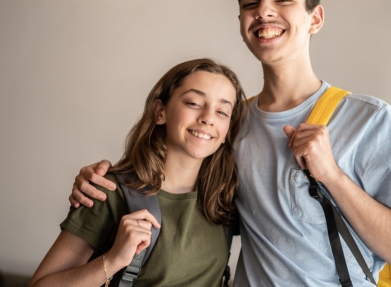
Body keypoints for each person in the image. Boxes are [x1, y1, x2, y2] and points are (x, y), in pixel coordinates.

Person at [68, 0, 391, 287]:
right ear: (243, 23)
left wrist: (332, 176)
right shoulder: (227, 125)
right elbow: (177, 189)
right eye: (251, 2)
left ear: (315, 18)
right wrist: (102, 183)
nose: (264, 10)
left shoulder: (369, 119)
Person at [29, 59, 247, 287]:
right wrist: (113, 260)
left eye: (222, 111)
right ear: (160, 111)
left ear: (227, 131)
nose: (208, 118)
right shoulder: (109, 192)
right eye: (194, 103)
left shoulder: (225, 199)